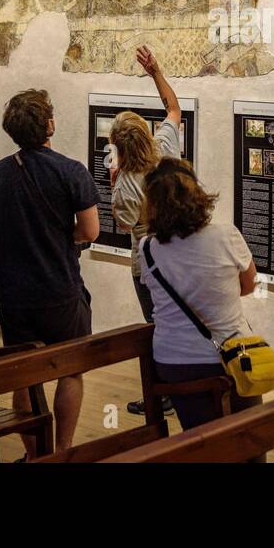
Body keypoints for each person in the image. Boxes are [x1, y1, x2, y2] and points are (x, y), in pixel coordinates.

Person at [0, 88, 99, 454]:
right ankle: (62, 449)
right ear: (49, 124)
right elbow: (90, 230)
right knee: (70, 370)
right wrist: (66, 241)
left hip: (16, 294)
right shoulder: (70, 171)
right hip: (60, 287)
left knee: (24, 379)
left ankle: (35, 455)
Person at [138, 158, 267, 461]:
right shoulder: (226, 235)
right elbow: (249, 286)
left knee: (200, 445)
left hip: (175, 361)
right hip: (232, 355)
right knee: (249, 442)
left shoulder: (147, 248)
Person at [109, 45, 181, 416]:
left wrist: (112, 181)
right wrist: (156, 72)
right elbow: (173, 109)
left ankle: (163, 393)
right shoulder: (166, 150)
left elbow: (123, 221)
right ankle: (181, 387)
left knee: (155, 325)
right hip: (179, 253)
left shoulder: (125, 182)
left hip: (147, 262)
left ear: (118, 148)